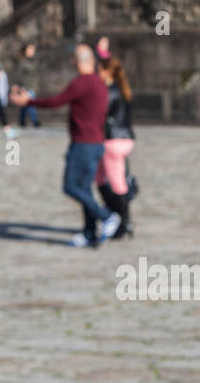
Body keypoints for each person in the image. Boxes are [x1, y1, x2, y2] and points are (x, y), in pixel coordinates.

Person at [10, 43, 121, 248]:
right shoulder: (99, 83)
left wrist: (29, 103)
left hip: (83, 144)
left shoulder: (82, 83)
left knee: (70, 186)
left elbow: (56, 101)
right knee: (85, 189)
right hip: (96, 143)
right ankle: (89, 233)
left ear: (77, 62)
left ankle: (106, 216)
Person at [95, 57, 135, 239]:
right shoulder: (122, 88)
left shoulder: (108, 91)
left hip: (112, 141)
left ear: (107, 71)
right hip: (125, 138)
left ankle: (122, 222)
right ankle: (117, 217)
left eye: (99, 70)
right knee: (101, 178)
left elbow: (101, 115)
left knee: (116, 183)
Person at [14, 42, 41, 128]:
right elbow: (19, 75)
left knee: (25, 105)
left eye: (33, 49)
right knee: (30, 104)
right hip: (27, 86)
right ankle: (35, 121)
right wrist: (20, 87)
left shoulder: (33, 60)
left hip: (33, 85)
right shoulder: (23, 61)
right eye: (30, 49)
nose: (32, 51)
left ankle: (22, 121)